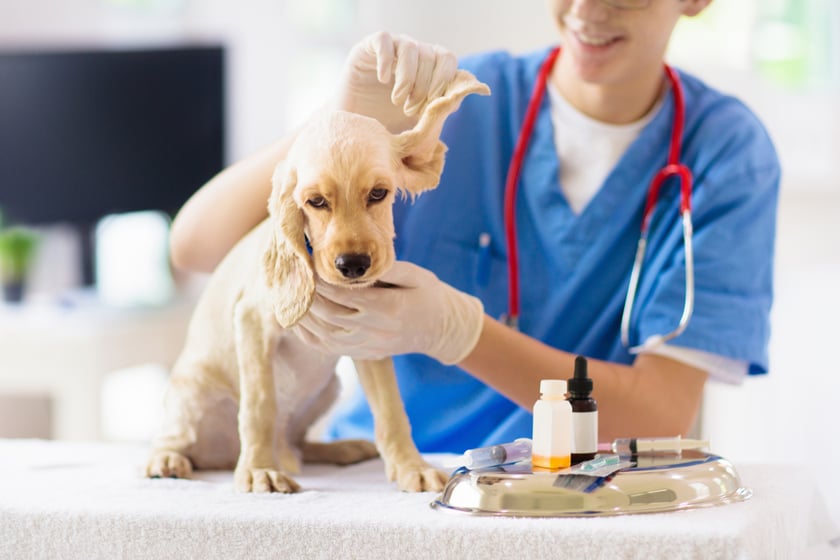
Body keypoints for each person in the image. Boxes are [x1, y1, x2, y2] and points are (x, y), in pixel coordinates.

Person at [169, 0, 780, 453]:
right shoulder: (454, 100)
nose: (590, 9)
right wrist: (338, 122)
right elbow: (197, 245)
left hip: (569, 493)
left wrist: (459, 333)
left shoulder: (724, 155)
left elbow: (659, 413)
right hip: (386, 480)